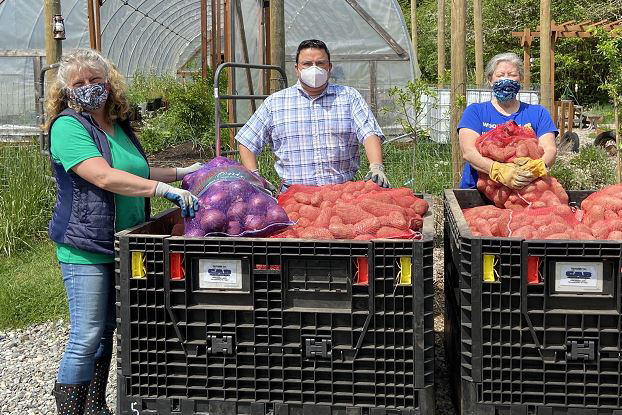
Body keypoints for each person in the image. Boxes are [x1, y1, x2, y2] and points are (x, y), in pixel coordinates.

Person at [45, 49, 200, 414]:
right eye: (79, 83)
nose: (88, 88)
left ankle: (96, 407)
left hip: (124, 243)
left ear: (108, 83)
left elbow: (136, 169)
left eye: (95, 80)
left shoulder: (117, 124)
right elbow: (104, 176)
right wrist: (164, 192)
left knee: (106, 333)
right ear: (66, 90)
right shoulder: (68, 126)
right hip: (87, 246)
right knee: (85, 336)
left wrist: (185, 173)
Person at [235, 39, 390, 190]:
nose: (314, 69)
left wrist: (376, 167)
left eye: (320, 63)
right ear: (297, 69)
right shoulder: (275, 103)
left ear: (329, 67)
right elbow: (247, 140)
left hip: (343, 192)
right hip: (294, 194)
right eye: (307, 64)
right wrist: (255, 177)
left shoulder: (349, 97)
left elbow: (369, 133)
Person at [458, 52, 558, 189]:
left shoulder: (539, 113)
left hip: (525, 190)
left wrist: (536, 169)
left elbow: (550, 149)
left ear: (520, 79)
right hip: (477, 190)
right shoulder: (475, 111)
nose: (506, 79)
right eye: (499, 75)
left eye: (512, 75)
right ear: (490, 80)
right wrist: (498, 170)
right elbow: (468, 152)